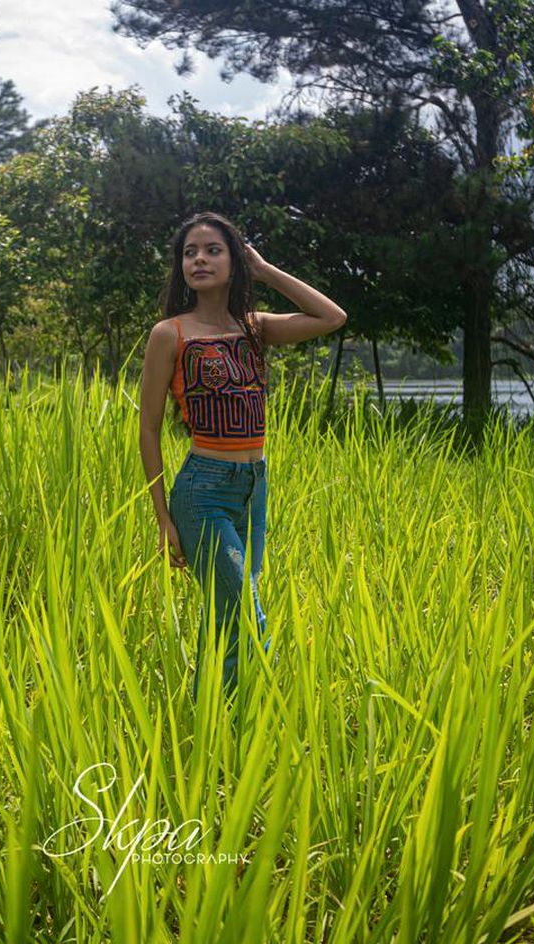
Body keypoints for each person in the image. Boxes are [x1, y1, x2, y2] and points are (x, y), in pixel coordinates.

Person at [138, 212, 347, 702]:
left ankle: (207, 720)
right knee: (247, 616)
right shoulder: (170, 334)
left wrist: (267, 270)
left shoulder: (255, 328)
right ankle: (251, 714)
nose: (199, 260)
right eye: (190, 252)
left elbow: (332, 318)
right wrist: (163, 517)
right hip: (202, 491)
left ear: (235, 260)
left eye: (213, 249)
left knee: (225, 614)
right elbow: (147, 429)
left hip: (254, 486)